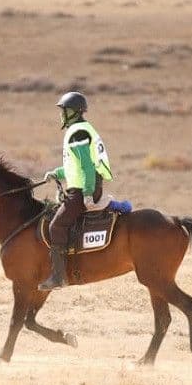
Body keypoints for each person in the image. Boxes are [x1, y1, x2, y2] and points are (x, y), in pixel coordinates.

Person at [39, 91, 114, 290]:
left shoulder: (77, 133)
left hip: (82, 190)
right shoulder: (83, 129)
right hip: (82, 186)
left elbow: (87, 166)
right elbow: (75, 167)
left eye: (65, 111)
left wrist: (88, 193)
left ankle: (58, 277)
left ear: (75, 112)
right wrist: (57, 173)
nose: (62, 115)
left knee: (55, 227)